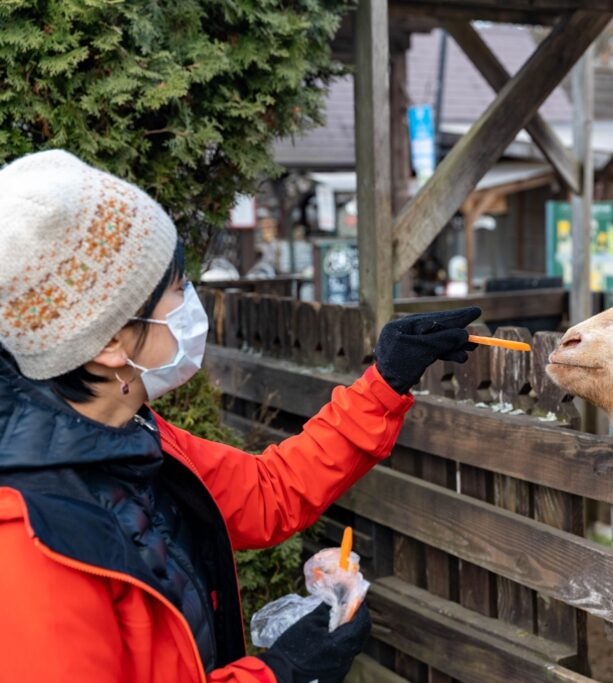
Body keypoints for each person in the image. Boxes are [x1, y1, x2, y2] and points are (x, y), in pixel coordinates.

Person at [0, 150, 480, 683]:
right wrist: (281, 673)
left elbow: (266, 493)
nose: (191, 307)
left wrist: (385, 382)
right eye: (177, 292)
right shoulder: (25, 541)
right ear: (113, 341)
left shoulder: (129, 437)